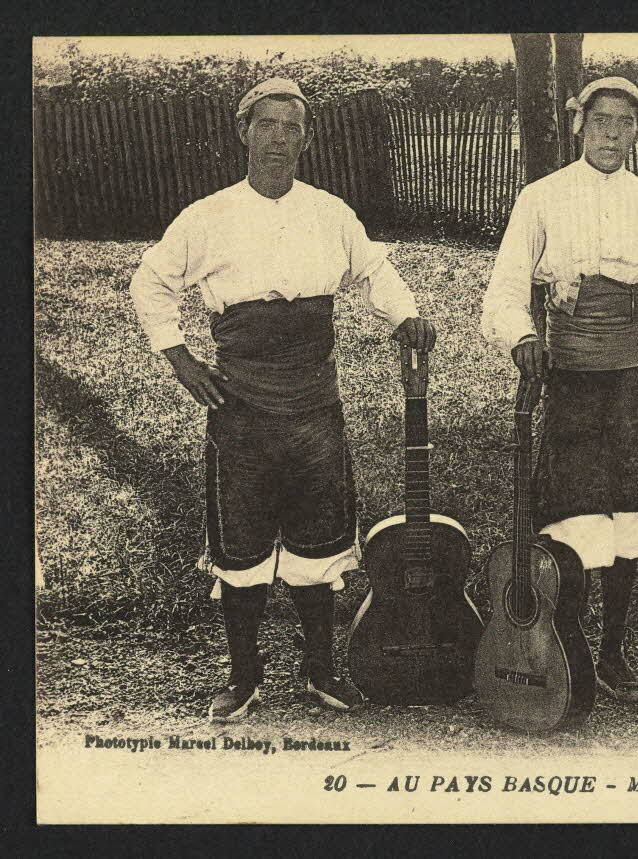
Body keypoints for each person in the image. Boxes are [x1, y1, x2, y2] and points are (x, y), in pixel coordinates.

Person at [129, 78, 436, 722]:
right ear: (244, 132)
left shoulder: (330, 212)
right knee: (241, 545)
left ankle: (320, 672)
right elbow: (150, 282)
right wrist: (181, 359)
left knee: (317, 543)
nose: (278, 138)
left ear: (307, 138)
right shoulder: (207, 216)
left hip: (314, 402)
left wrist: (405, 314)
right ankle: (244, 678)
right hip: (240, 404)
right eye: (265, 124)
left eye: (291, 127)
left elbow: (375, 271)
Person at [480, 77, 638, 703]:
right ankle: (565, 645)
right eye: (601, 120)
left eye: (626, 122)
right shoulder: (541, 198)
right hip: (570, 373)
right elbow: (505, 288)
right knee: (575, 507)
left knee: (631, 508)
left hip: (636, 374)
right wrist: (522, 336)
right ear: (580, 125)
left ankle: (613, 651)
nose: (612, 133)